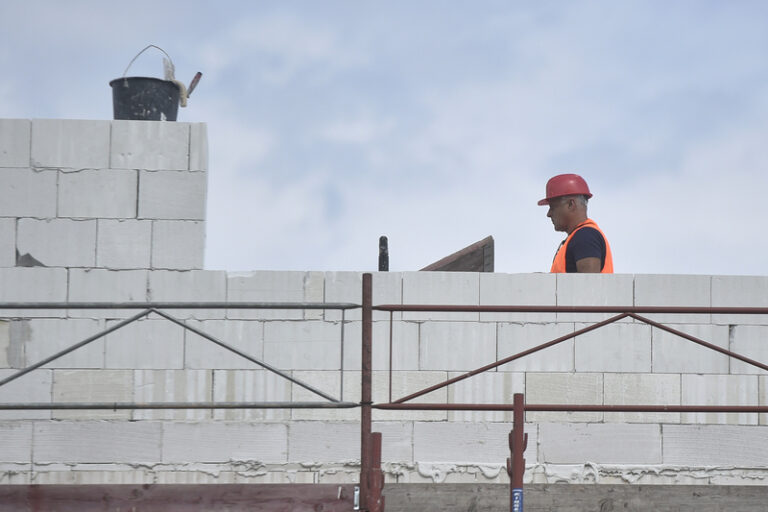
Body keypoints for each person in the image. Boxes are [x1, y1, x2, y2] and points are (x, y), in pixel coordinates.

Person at [538, 173, 614, 273]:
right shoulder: (580, 236)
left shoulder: (585, 237)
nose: (549, 214)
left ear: (571, 204)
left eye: (552, 207)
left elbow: (590, 285)